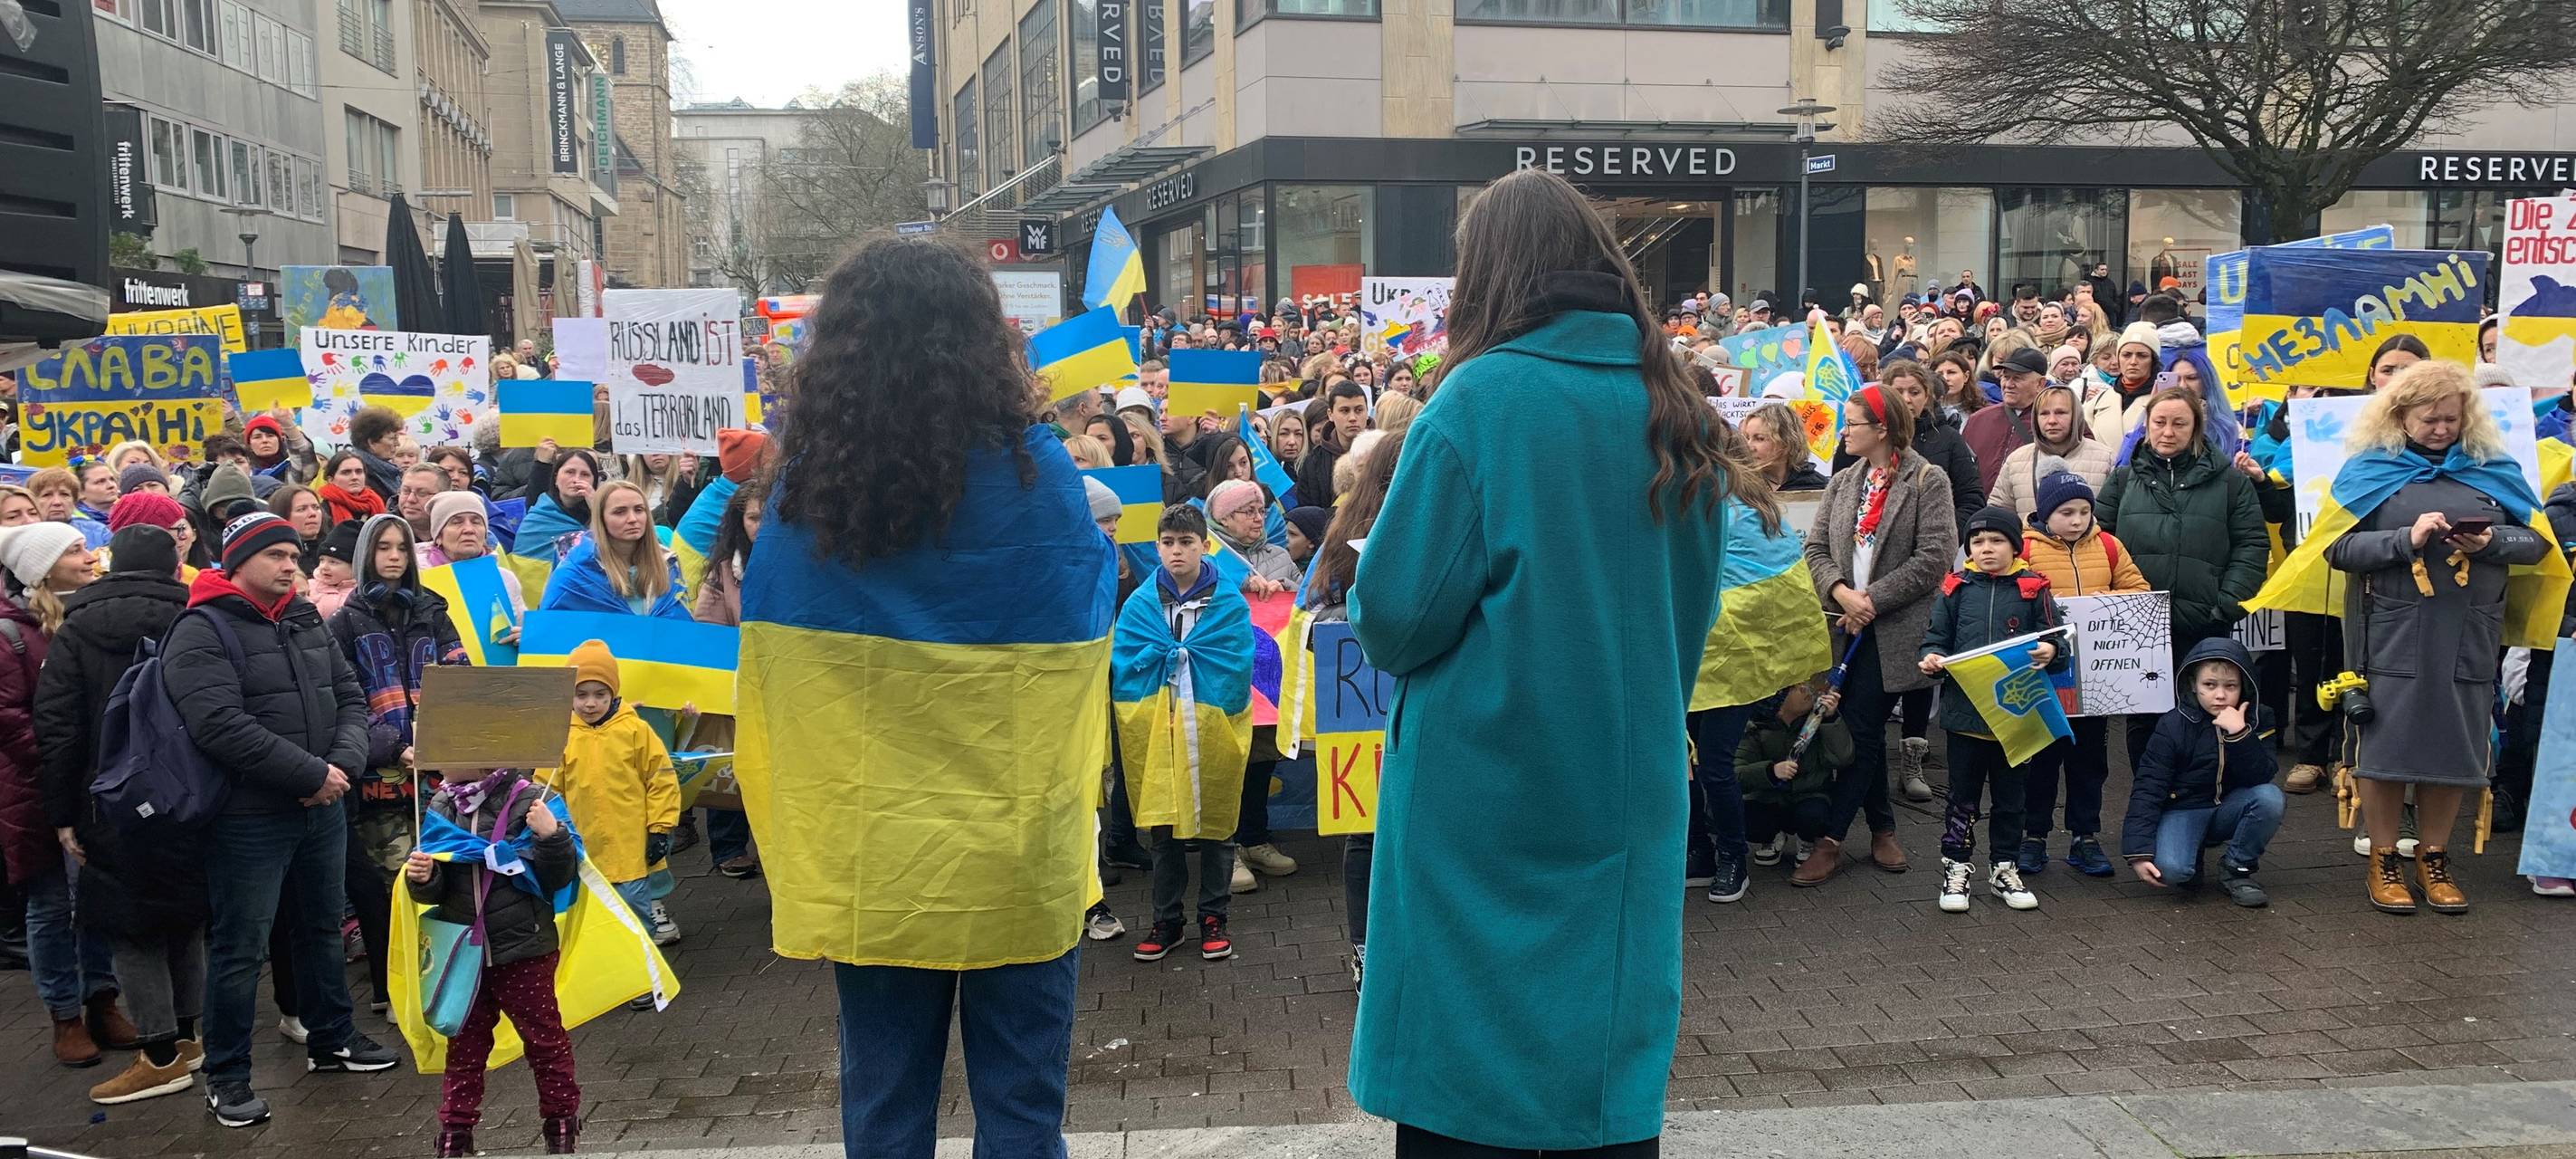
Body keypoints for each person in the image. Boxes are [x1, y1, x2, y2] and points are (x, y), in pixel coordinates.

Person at [1343, 168, 1741, 1156]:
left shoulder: (1478, 400)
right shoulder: (1674, 404)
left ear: (1486, 275)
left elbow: (1392, 617)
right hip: (1626, 775)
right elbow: (1683, 614)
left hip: (1482, 795)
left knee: (1463, 1083)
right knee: (1599, 1067)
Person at [738, 237, 1113, 1157]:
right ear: (982, 340)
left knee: (883, 1104)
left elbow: (777, 661)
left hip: (878, 857)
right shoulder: (1040, 474)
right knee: (1023, 1111)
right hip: (1017, 845)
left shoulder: (807, 494)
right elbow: (1089, 610)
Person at [169, 512, 396, 1127]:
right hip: (248, 819)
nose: (290, 564)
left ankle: (333, 1039)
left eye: (293, 554)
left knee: (322, 926)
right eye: (274, 555)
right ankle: (228, 1076)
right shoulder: (201, 629)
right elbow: (217, 724)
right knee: (241, 948)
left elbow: (349, 696)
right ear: (238, 562)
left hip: (323, 804)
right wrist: (309, 775)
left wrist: (340, 767)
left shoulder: (302, 618)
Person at [2308, 360, 2554, 915]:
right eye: (2429, 419)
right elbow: (2337, 550)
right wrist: (2403, 539)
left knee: (2455, 747)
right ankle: (2385, 859)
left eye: (2451, 418)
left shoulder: (2493, 467)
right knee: (2387, 748)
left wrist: (2490, 543)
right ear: (2400, 416)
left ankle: (2436, 857)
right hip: (2391, 631)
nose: (2442, 428)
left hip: (2469, 632)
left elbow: (2536, 543)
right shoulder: (2369, 469)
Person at [36, 524, 204, 1103]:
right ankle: (189, 1038)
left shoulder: (77, 626)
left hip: (106, 798)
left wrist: (62, 813)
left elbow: (58, 726)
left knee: (130, 927)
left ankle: (157, 1054)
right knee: (186, 917)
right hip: (188, 793)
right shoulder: (194, 617)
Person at [1802, 384, 1953, 886]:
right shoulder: (1843, 482)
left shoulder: (1927, 480)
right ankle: (1883, 828)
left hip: (1892, 630)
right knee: (1860, 731)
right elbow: (1816, 548)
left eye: (1852, 424)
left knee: (1863, 730)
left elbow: (1933, 557)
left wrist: (1873, 601)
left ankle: (1831, 840)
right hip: (1846, 627)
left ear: (1882, 429)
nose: (1843, 432)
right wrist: (1842, 593)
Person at [0, 522, 130, 1068]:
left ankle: (102, 999)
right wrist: (63, 767)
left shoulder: (84, 616)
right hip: (32, 788)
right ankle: (64, 1014)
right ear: (42, 568)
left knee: (96, 895)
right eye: (74, 549)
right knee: (52, 904)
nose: (89, 554)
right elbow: (10, 718)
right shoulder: (10, 634)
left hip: (83, 779)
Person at [325, 513, 465, 1009]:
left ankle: (442, 980)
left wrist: (442, 740)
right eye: (382, 548)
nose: (392, 557)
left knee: (440, 872)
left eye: (401, 548)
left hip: (436, 766)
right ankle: (394, 987)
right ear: (366, 554)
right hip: (381, 773)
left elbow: (459, 677)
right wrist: (391, 744)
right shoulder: (344, 620)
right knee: (393, 882)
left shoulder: (433, 610)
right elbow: (345, 698)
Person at [406, 764, 581, 1157]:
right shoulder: (440, 804)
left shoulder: (531, 798)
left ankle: (561, 1125)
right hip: (464, 951)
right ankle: (454, 1132)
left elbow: (560, 876)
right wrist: (422, 878)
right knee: (464, 1046)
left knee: (544, 1041)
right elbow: (435, 891)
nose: (438, 760)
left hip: (523, 949)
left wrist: (552, 835)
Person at [1114, 504, 1255, 963]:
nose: (1176, 551)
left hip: (1210, 725)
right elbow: (1126, 659)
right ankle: (1167, 919)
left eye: (1186, 542)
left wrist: (1184, 659)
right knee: (1164, 825)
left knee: (1217, 820)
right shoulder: (1140, 603)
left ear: (1205, 545)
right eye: (1168, 543)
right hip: (1159, 726)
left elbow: (1236, 660)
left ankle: (1214, 916)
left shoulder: (1227, 601)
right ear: (1156, 547)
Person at [2095, 387, 2266, 763]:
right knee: (2144, 722)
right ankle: (2149, 799)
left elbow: (2252, 544)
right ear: (2146, 426)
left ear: (2196, 428)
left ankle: (2199, 802)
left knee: (2202, 715)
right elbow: (2098, 545)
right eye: (2159, 422)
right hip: (2138, 626)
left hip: (2205, 623)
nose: (2167, 432)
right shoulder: (2123, 481)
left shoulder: (2230, 481)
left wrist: (2226, 603)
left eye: (2179, 424)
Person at [1917, 506, 2066, 913]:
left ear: (2014, 546)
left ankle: (2005, 867)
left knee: (2012, 799)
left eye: (1997, 541)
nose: (1987, 549)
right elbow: (1935, 639)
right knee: (1962, 799)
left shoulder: (2034, 588)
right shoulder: (1955, 589)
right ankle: (1957, 868)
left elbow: (2059, 642)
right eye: (1978, 542)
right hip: (1965, 718)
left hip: (2017, 720)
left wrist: (2052, 650)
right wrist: (1932, 658)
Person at [2017, 471, 2149, 878]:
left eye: (2084, 511)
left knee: (2089, 761)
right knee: (2040, 760)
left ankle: (2085, 836)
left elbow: (2140, 592)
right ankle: (2033, 836)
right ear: (2044, 513)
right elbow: (2009, 597)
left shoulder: (2108, 546)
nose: (2077, 520)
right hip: (2044, 678)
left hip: (2097, 680)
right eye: (2066, 512)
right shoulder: (2024, 550)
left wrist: (2105, 601)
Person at [2119, 637, 2281, 907]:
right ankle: (2190, 853)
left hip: (2227, 806)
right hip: (2183, 809)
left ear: (2244, 687)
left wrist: (2240, 734)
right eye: (2210, 685)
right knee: (2173, 871)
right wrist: (2138, 853)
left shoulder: (2258, 717)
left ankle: (2237, 868)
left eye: (2231, 686)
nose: (2220, 695)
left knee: (2270, 798)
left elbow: (2261, 776)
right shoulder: (2172, 724)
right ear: (2193, 685)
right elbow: (2148, 787)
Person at [558, 640, 682, 944]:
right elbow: (548, 791)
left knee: (637, 919)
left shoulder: (635, 731)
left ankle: (644, 980)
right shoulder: (561, 736)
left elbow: (661, 780)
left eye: (600, 694)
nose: (590, 703)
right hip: (583, 850)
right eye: (581, 694)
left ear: (613, 692)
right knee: (592, 921)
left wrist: (660, 829)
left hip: (631, 849)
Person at [1736, 676, 1851, 875]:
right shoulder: (1757, 726)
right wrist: (1769, 772)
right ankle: (1771, 837)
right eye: (1798, 688)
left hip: (1809, 794)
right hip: (1769, 796)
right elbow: (1736, 772)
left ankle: (1807, 840)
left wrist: (1831, 719)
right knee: (1747, 816)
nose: (1808, 691)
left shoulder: (1818, 718)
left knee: (1814, 816)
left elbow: (1843, 758)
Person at [540, 480, 687, 618]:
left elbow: (682, 629)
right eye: (620, 512)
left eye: (639, 510)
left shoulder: (668, 565)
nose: (632, 519)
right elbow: (551, 628)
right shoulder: (575, 572)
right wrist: (528, 635)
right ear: (601, 518)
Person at [1989, 384, 2116, 518]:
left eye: (2060, 413)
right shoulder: (2016, 460)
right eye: (2044, 414)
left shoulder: (2106, 458)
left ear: (2076, 415)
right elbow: (1998, 513)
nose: (2051, 421)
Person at [1962, 348, 2050, 496]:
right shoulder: (1979, 419)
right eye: (2005, 377)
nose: (2008, 384)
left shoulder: (2056, 422)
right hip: (1980, 512)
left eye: (2017, 378)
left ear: (2040, 384)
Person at [1741, 403, 1827, 491]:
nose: (1749, 446)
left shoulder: (1818, 486)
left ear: (1786, 442)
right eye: (1747, 438)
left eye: (1760, 438)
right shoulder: (1737, 486)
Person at [345, 406, 406, 503]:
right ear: (372, 443)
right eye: (392, 438)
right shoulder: (359, 477)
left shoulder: (390, 472)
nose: (397, 444)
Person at [267, 484, 328, 572]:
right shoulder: (274, 555)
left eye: (316, 507)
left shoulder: (335, 547)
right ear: (283, 515)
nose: (312, 513)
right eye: (301, 509)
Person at [319, 451, 386, 528]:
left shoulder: (376, 502)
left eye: (359, 472)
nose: (354, 477)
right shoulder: (324, 511)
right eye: (346, 473)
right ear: (330, 480)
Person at [396, 464, 447, 542]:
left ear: (443, 496)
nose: (410, 499)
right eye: (406, 491)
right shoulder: (382, 532)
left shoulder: (460, 534)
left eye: (422, 493)